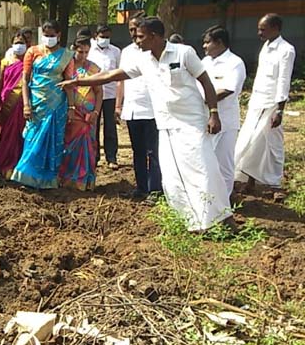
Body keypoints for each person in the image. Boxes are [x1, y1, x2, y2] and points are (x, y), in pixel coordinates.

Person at [59, 16, 232, 232]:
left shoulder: (183, 53)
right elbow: (112, 75)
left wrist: (214, 113)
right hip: (165, 124)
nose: (136, 40)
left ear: (155, 36)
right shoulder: (143, 59)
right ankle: (193, 220)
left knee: (202, 168)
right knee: (172, 174)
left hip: (191, 122)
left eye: (140, 37)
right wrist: (78, 81)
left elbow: (206, 82)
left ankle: (222, 217)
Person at [235, 13, 296, 191]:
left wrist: (280, 110)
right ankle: (250, 180)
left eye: (263, 29)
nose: (259, 33)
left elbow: (284, 81)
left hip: (272, 104)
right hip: (257, 102)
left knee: (273, 144)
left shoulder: (286, 50)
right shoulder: (266, 47)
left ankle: (275, 184)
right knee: (252, 141)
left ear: (275, 28)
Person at [11, 20, 74, 189]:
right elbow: (25, 79)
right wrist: (26, 104)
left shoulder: (66, 55)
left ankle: (48, 181)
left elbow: (69, 83)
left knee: (53, 142)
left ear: (59, 35)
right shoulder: (32, 52)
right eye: (45, 35)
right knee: (32, 138)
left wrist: (71, 108)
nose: (48, 38)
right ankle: (25, 177)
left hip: (56, 105)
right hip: (36, 104)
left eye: (52, 36)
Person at [116, 13, 162, 199]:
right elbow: (120, 79)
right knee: (138, 152)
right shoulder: (127, 52)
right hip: (133, 109)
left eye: (137, 30)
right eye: (131, 30)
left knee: (154, 152)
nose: (134, 34)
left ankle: (155, 189)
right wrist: (118, 106)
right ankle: (141, 188)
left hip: (152, 109)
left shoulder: (154, 51)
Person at [201, 25, 247, 196]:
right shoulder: (205, 62)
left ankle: (225, 201)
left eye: (207, 43)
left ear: (219, 42)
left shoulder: (234, 63)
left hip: (226, 121)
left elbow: (228, 89)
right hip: (205, 118)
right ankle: (210, 198)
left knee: (224, 163)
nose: (204, 46)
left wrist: (203, 100)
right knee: (206, 161)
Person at [59, 36, 103, 190]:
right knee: (69, 145)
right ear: (73, 49)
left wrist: (96, 112)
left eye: (86, 52)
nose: (83, 56)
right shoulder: (66, 67)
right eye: (80, 52)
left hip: (88, 115)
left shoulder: (94, 69)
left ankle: (85, 181)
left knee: (88, 147)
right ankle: (67, 179)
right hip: (71, 112)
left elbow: (99, 92)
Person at [0, 32, 27, 178]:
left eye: (22, 42)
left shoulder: (29, 62)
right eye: (16, 42)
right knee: (6, 134)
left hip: (22, 103)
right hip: (6, 103)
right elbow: (0, 83)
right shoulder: (5, 62)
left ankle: (18, 165)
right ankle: (3, 163)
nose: (19, 45)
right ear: (12, 44)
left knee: (20, 134)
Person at [88, 24, 122, 169]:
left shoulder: (115, 51)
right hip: (93, 94)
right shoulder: (89, 51)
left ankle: (111, 157)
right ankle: (93, 157)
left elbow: (120, 72)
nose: (105, 39)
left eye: (107, 37)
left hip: (110, 94)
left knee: (110, 126)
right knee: (93, 126)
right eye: (102, 37)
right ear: (96, 36)